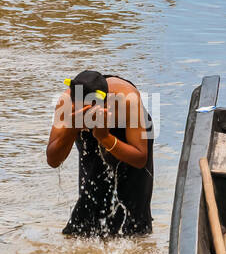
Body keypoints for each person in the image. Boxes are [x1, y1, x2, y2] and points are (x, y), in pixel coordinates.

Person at [46, 69, 153, 237]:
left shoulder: (127, 100)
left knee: (134, 202)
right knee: (91, 191)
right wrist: (72, 128)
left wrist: (106, 138)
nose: (87, 115)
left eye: (90, 110)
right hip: (93, 131)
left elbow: (140, 158)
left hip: (127, 134)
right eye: (81, 109)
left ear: (107, 104)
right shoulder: (66, 105)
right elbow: (53, 160)